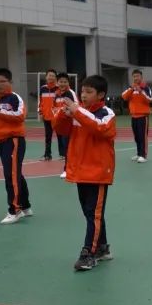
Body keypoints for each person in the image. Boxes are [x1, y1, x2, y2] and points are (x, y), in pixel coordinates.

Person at [52, 75, 116, 270]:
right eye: (82, 92)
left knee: (93, 215)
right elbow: (60, 129)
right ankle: (102, 247)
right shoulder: (78, 113)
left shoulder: (107, 113)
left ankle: (88, 252)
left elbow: (101, 128)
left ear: (101, 94)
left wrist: (77, 111)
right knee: (91, 214)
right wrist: (65, 114)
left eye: (89, 92)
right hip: (81, 171)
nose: (84, 95)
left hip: (98, 173)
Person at [0, 68, 33, 225]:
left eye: (2, 81)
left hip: (14, 140)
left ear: (10, 82)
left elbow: (20, 116)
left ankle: (14, 210)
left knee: (11, 176)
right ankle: (25, 207)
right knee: (16, 174)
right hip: (2, 142)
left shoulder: (14, 98)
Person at [121, 69, 152, 163]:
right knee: (136, 137)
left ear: (141, 77)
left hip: (143, 116)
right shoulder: (131, 87)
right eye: (134, 76)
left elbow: (149, 99)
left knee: (142, 136)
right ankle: (139, 154)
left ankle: (143, 155)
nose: (136, 78)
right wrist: (132, 89)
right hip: (133, 116)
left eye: (137, 76)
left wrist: (141, 91)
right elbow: (124, 96)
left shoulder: (146, 88)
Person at [37, 69, 59, 161]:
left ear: (55, 77)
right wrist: (40, 113)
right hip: (46, 116)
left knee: (61, 136)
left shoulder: (59, 89)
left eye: (53, 75)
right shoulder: (43, 88)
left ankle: (63, 155)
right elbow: (40, 102)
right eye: (49, 75)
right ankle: (47, 155)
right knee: (48, 136)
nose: (51, 77)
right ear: (46, 77)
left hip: (57, 117)